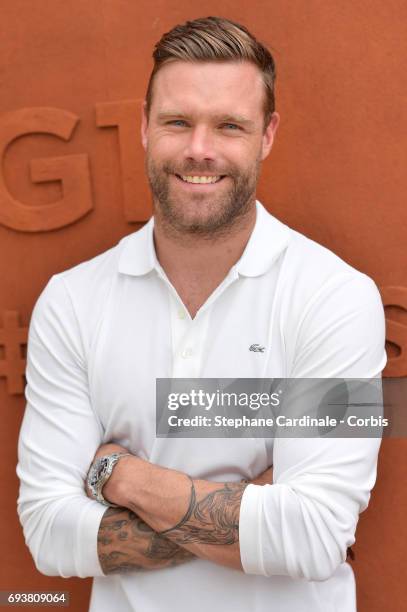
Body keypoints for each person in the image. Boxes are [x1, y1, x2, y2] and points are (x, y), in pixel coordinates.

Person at [17, 16, 386, 612]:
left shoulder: (340, 296)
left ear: (267, 135)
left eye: (230, 125)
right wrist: (257, 509)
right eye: (177, 121)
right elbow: (47, 535)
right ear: (143, 127)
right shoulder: (70, 300)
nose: (199, 149)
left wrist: (121, 476)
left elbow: (318, 536)